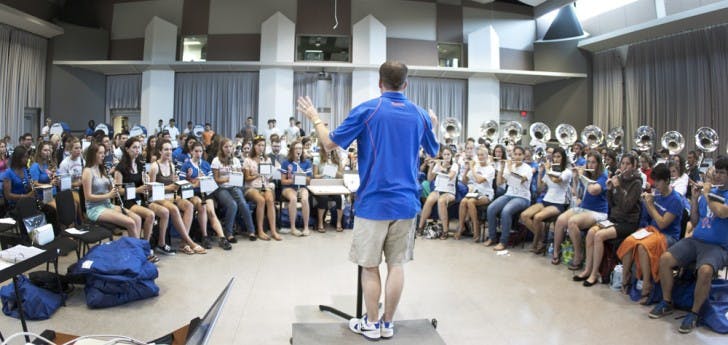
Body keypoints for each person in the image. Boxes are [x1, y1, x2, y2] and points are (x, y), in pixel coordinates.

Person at [297, 61, 439, 341]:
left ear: (379, 83)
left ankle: (372, 323)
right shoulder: (420, 114)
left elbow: (329, 144)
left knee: (370, 265)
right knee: (396, 264)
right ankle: (387, 324)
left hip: (374, 203)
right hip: (407, 204)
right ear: (406, 84)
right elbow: (433, 150)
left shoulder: (368, 109)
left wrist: (315, 117)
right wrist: (430, 124)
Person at [649, 157, 728, 334]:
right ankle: (667, 302)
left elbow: (721, 213)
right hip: (696, 240)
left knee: (706, 270)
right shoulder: (708, 192)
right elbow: (695, 220)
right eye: (717, 172)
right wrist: (694, 199)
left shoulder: (717, 193)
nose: (718, 176)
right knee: (666, 259)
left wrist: (707, 192)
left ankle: (695, 312)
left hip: (718, 247)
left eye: (722, 173)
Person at [617, 163, 683, 304]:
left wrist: (650, 205)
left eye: (658, 181)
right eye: (654, 181)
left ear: (666, 181)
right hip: (652, 231)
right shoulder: (657, 194)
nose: (655, 184)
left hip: (668, 236)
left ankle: (647, 284)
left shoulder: (676, 200)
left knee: (642, 247)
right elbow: (648, 219)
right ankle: (625, 277)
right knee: (629, 241)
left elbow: (662, 223)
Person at [574, 153, 642, 286]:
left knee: (599, 236)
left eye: (628, 164)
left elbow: (627, 206)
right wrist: (610, 190)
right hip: (614, 218)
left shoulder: (637, 183)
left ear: (634, 166)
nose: (624, 167)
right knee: (591, 233)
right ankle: (587, 269)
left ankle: (594, 274)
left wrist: (617, 187)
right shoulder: (619, 179)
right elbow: (612, 205)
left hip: (627, 222)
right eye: (622, 163)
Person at [149, 139, 206, 255]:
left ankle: (183, 242)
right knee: (174, 209)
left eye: (170, 149)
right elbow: (151, 190)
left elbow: (174, 187)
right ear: (160, 151)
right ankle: (190, 242)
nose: (169, 152)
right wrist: (170, 187)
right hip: (157, 197)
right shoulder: (154, 167)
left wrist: (177, 185)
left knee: (189, 205)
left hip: (171, 195)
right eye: (166, 149)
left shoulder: (171, 165)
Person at [553, 152, 609, 267]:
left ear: (599, 164)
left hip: (597, 211)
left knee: (572, 222)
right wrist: (575, 178)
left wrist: (582, 176)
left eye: (593, 162)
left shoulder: (603, 176)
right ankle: (556, 252)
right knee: (560, 220)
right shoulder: (587, 175)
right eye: (588, 162)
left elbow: (593, 190)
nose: (590, 165)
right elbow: (575, 193)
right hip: (584, 208)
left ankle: (579, 255)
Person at [114, 137, 169, 249]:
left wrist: (146, 182)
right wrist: (137, 190)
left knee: (164, 212)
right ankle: (144, 246)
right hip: (127, 200)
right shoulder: (120, 168)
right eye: (134, 147)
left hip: (140, 198)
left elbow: (141, 184)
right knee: (150, 214)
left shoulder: (140, 164)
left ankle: (150, 243)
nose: (137, 150)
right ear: (127, 149)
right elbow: (118, 191)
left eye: (139, 147)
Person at [179, 141, 233, 249]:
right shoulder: (186, 165)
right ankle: (204, 236)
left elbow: (211, 181)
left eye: (200, 151)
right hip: (192, 193)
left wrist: (204, 179)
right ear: (191, 152)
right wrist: (195, 183)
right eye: (196, 151)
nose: (198, 154)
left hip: (205, 191)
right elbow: (181, 183)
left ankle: (222, 238)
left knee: (211, 212)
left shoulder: (205, 164)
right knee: (201, 205)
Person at [82, 143, 142, 238]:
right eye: (100, 153)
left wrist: (114, 185)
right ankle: (137, 249)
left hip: (107, 205)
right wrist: (108, 195)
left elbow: (111, 189)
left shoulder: (102, 169)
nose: (103, 155)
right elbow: (88, 197)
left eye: (104, 153)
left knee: (137, 219)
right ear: (93, 154)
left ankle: (133, 248)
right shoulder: (87, 172)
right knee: (130, 222)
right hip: (95, 209)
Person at [520, 146, 572, 254]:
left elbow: (556, 180)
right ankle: (542, 239)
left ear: (563, 158)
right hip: (546, 200)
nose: (556, 159)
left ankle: (538, 242)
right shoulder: (550, 171)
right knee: (524, 216)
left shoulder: (567, 172)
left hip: (559, 203)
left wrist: (547, 170)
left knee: (537, 217)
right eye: (554, 157)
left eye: (558, 157)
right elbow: (540, 188)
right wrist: (540, 173)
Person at [485, 146, 533, 251]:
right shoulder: (509, 166)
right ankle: (492, 237)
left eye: (520, 154)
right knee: (491, 208)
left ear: (524, 156)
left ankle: (503, 241)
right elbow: (499, 183)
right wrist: (502, 168)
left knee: (506, 211)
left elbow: (518, 180)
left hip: (523, 197)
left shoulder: (528, 169)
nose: (517, 156)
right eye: (515, 154)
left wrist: (510, 168)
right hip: (509, 194)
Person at [211, 137, 257, 243]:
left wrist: (238, 174)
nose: (228, 149)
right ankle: (229, 233)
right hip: (221, 188)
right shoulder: (216, 160)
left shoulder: (236, 160)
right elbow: (216, 180)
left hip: (234, 186)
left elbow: (239, 177)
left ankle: (251, 231)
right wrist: (229, 178)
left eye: (230, 147)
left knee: (243, 204)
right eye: (226, 147)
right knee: (233, 204)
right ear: (221, 148)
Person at [242, 136, 281, 240]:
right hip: (251, 187)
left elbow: (269, 177)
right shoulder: (248, 160)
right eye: (259, 145)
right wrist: (258, 174)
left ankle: (273, 230)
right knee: (261, 200)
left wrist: (272, 174)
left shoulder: (267, 159)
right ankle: (260, 231)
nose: (261, 147)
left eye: (263, 145)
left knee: (270, 199)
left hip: (264, 185)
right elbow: (247, 178)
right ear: (254, 146)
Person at [417, 147, 459, 239]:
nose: (446, 156)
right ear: (442, 155)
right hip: (438, 189)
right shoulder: (439, 164)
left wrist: (441, 168)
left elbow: (451, 176)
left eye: (448, 154)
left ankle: (445, 231)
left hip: (449, 191)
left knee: (441, 201)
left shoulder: (454, 165)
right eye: (445, 154)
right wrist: (432, 166)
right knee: (429, 200)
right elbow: (429, 179)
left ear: (451, 155)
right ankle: (420, 227)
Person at [455, 147, 494, 241]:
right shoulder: (476, 167)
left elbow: (479, 180)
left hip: (486, 193)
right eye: (479, 155)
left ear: (487, 156)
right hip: (475, 192)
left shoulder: (490, 169)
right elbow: (464, 181)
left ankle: (476, 229)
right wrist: (467, 169)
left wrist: (472, 168)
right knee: (463, 201)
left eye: (482, 155)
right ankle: (461, 227)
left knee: (471, 202)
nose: (480, 157)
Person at [280, 139, 313, 236]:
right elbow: (283, 181)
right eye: (297, 148)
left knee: (304, 199)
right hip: (288, 187)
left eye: (300, 148)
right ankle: (293, 228)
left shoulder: (306, 162)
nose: (299, 150)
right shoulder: (286, 163)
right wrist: (294, 178)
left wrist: (301, 175)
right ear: (292, 150)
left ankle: (306, 227)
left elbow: (308, 180)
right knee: (293, 199)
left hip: (302, 187)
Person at [312, 140, 345, 232]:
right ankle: (320, 223)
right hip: (321, 186)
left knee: (340, 198)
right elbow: (314, 176)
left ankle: (338, 222)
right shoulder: (317, 158)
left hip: (334, 186)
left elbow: (341, 175)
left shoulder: (337, 158)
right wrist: (323, 174)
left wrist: (332, 171)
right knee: (324, 198)